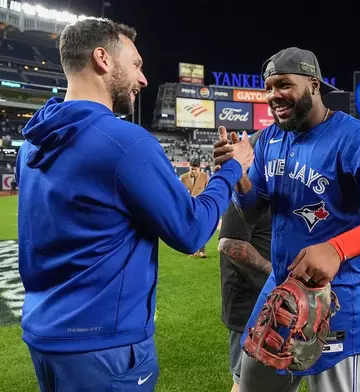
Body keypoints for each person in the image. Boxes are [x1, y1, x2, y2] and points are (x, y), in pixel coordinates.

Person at [14, 17, 253, 392]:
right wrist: (233, 168)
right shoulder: (125, 142)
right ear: (103, 59)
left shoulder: (33, 141)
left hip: (45, 334)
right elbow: (191, 231)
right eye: (137, 64)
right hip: (104, 344)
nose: (143, 79)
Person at [215, 47, 360, 392]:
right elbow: (254, 210)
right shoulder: (270, 139)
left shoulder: (357, 136)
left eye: (283, 85)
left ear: (313, 85)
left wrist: (338, 249)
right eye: (268, 88)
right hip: (280, 286)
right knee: (252, 384)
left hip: (338, 294)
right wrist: (241, 180)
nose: (273, 96)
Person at [217, 130, 272, 392]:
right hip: (249, 303)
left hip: (267, 300)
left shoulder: (264, 188)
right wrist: (275, 273)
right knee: (245, 383)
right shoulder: (242, 184)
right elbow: (230, 245)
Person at [180, 157, 210, 257]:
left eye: (195, 169)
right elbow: (180, 194)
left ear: (199, 168)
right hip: (188, 207)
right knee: (190, 229)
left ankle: (202, 251)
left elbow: (208, 191)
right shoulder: (183, 177)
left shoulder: (205, 176)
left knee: (201, 228)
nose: (193, 171)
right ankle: (192, 250)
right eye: (192, 169)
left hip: (201, 205)